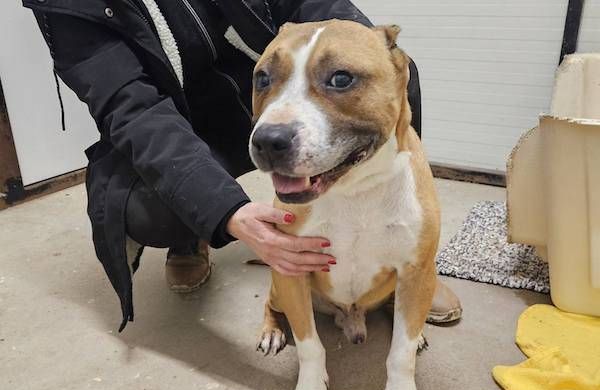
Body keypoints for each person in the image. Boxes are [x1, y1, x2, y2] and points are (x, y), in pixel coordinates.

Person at [25, 0, 459, 331]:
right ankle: (189, 240)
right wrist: (226, 211)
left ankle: (409, 257)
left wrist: (366, 48)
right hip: (176, 125)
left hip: (254, 102)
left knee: (393, 73)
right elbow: (133, 112)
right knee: (150, 207)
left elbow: (316, 5)